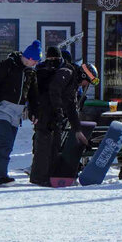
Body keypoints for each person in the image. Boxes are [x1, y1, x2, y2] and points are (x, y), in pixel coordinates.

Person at [0, 40, 41, 186]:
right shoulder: (7, 66)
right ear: (29, 58)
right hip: (1, 109)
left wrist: (34, 112)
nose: (35, 64)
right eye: (35, 61)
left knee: (7, 144)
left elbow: (33, 96)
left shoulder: (30, 72)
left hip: (17, 113)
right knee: (5, 143)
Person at [28, 47, 86, 187]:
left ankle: (46, 176)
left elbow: (71, 106)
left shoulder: (46, 71)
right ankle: (41, 178)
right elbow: (56, 91)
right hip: (47, 114)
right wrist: (58, 111)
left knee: (50, 146)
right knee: (46, 146)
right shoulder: (68, 72)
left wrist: (77, 128)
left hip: (45, 113)